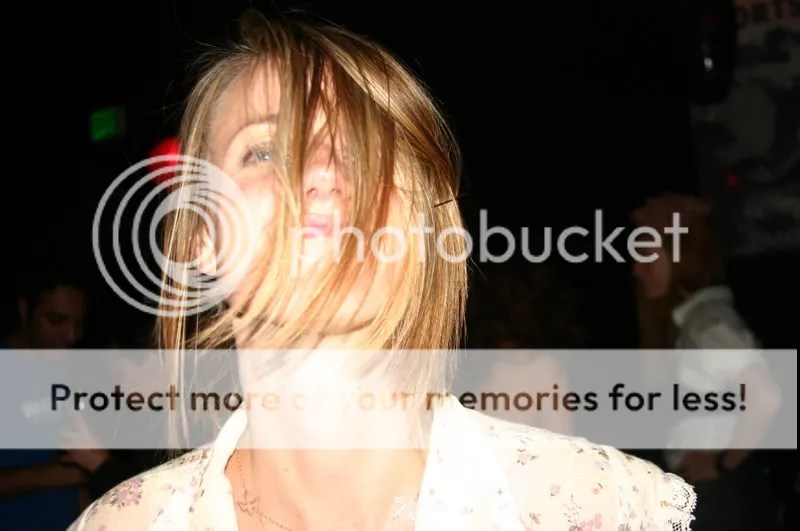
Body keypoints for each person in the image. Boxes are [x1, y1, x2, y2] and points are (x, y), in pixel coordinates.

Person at [69, 10, 696, 530]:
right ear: (202, 239)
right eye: (263, 150)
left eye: (368, 150)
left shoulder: (608, 509)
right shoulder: (124, 523)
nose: (325, 171)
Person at [632, 194, 783, 530]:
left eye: (647, 255)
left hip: (718, 496)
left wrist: (723, 463)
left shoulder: (707, 321)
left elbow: (766, 397)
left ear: (680, 256)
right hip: (715, 493)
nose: (637, 269)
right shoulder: (695, 322)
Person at [0, 268, 89, 529]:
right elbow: (71, 472)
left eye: (79, 323)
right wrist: (53, 475)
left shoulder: (70, 370)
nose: (72, 336)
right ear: (24, 310)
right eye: (56, 320)